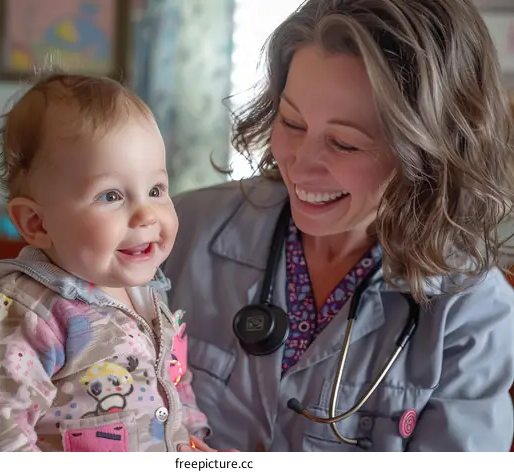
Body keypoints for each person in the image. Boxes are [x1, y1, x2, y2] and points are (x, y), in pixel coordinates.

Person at [163, 0, 514, 452]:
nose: (301, 166)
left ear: (429, 152)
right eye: (291, 122)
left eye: (345, 144)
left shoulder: (472, 314)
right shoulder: (176, 234)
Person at [0, 71, 214, 452]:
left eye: (156, 190)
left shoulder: (145, 293)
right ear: (37, 223)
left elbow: (173, 383)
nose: (146, 215)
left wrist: (193, 448)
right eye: (110, 196)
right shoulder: (20, 314)